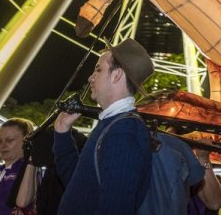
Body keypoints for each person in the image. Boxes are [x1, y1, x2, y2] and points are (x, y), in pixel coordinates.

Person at [53, 38, 154, 214]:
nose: (90, 77)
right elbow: (79, 187)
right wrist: (62, 133)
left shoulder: (124, 133)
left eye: (98, 70)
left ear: (117, 75)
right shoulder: (112, 124)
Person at [0, 118, 34, 215]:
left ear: (26, 141)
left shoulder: (27, 170)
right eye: (0, 141)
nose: (2, 146)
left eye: (9, 140)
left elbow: (23, 203)